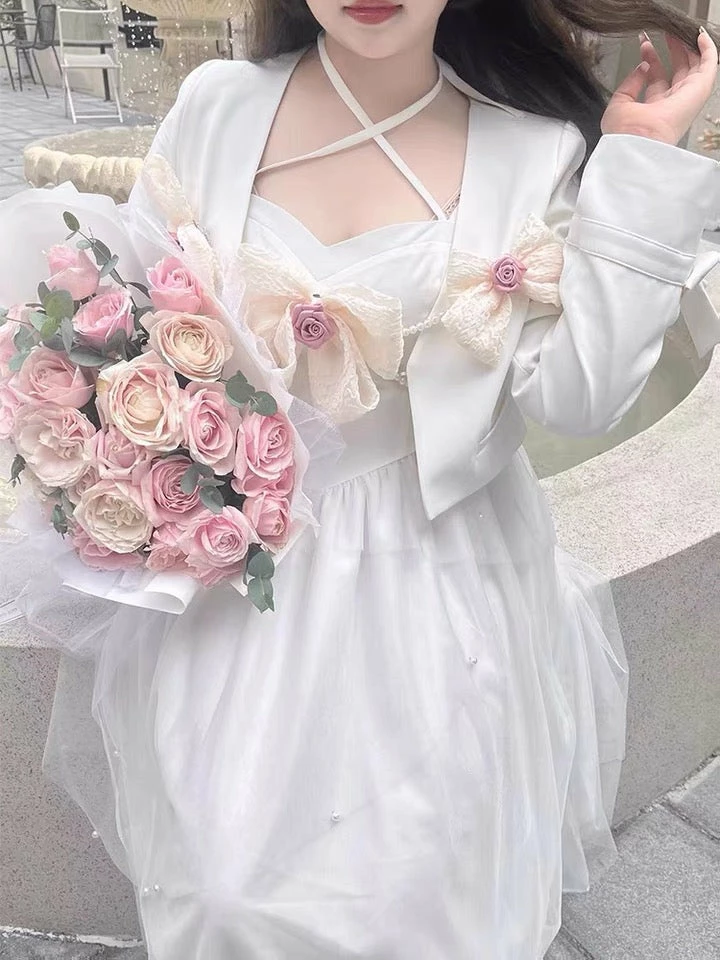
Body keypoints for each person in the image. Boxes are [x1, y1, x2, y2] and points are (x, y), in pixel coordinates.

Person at [1, 1, 719, 958]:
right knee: (225, 892)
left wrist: (640, 160)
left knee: (423, 883)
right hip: (241, 576)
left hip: (435, 575)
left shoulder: (531, 147)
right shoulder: (218, 105)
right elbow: (127, 307)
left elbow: (581, 399)